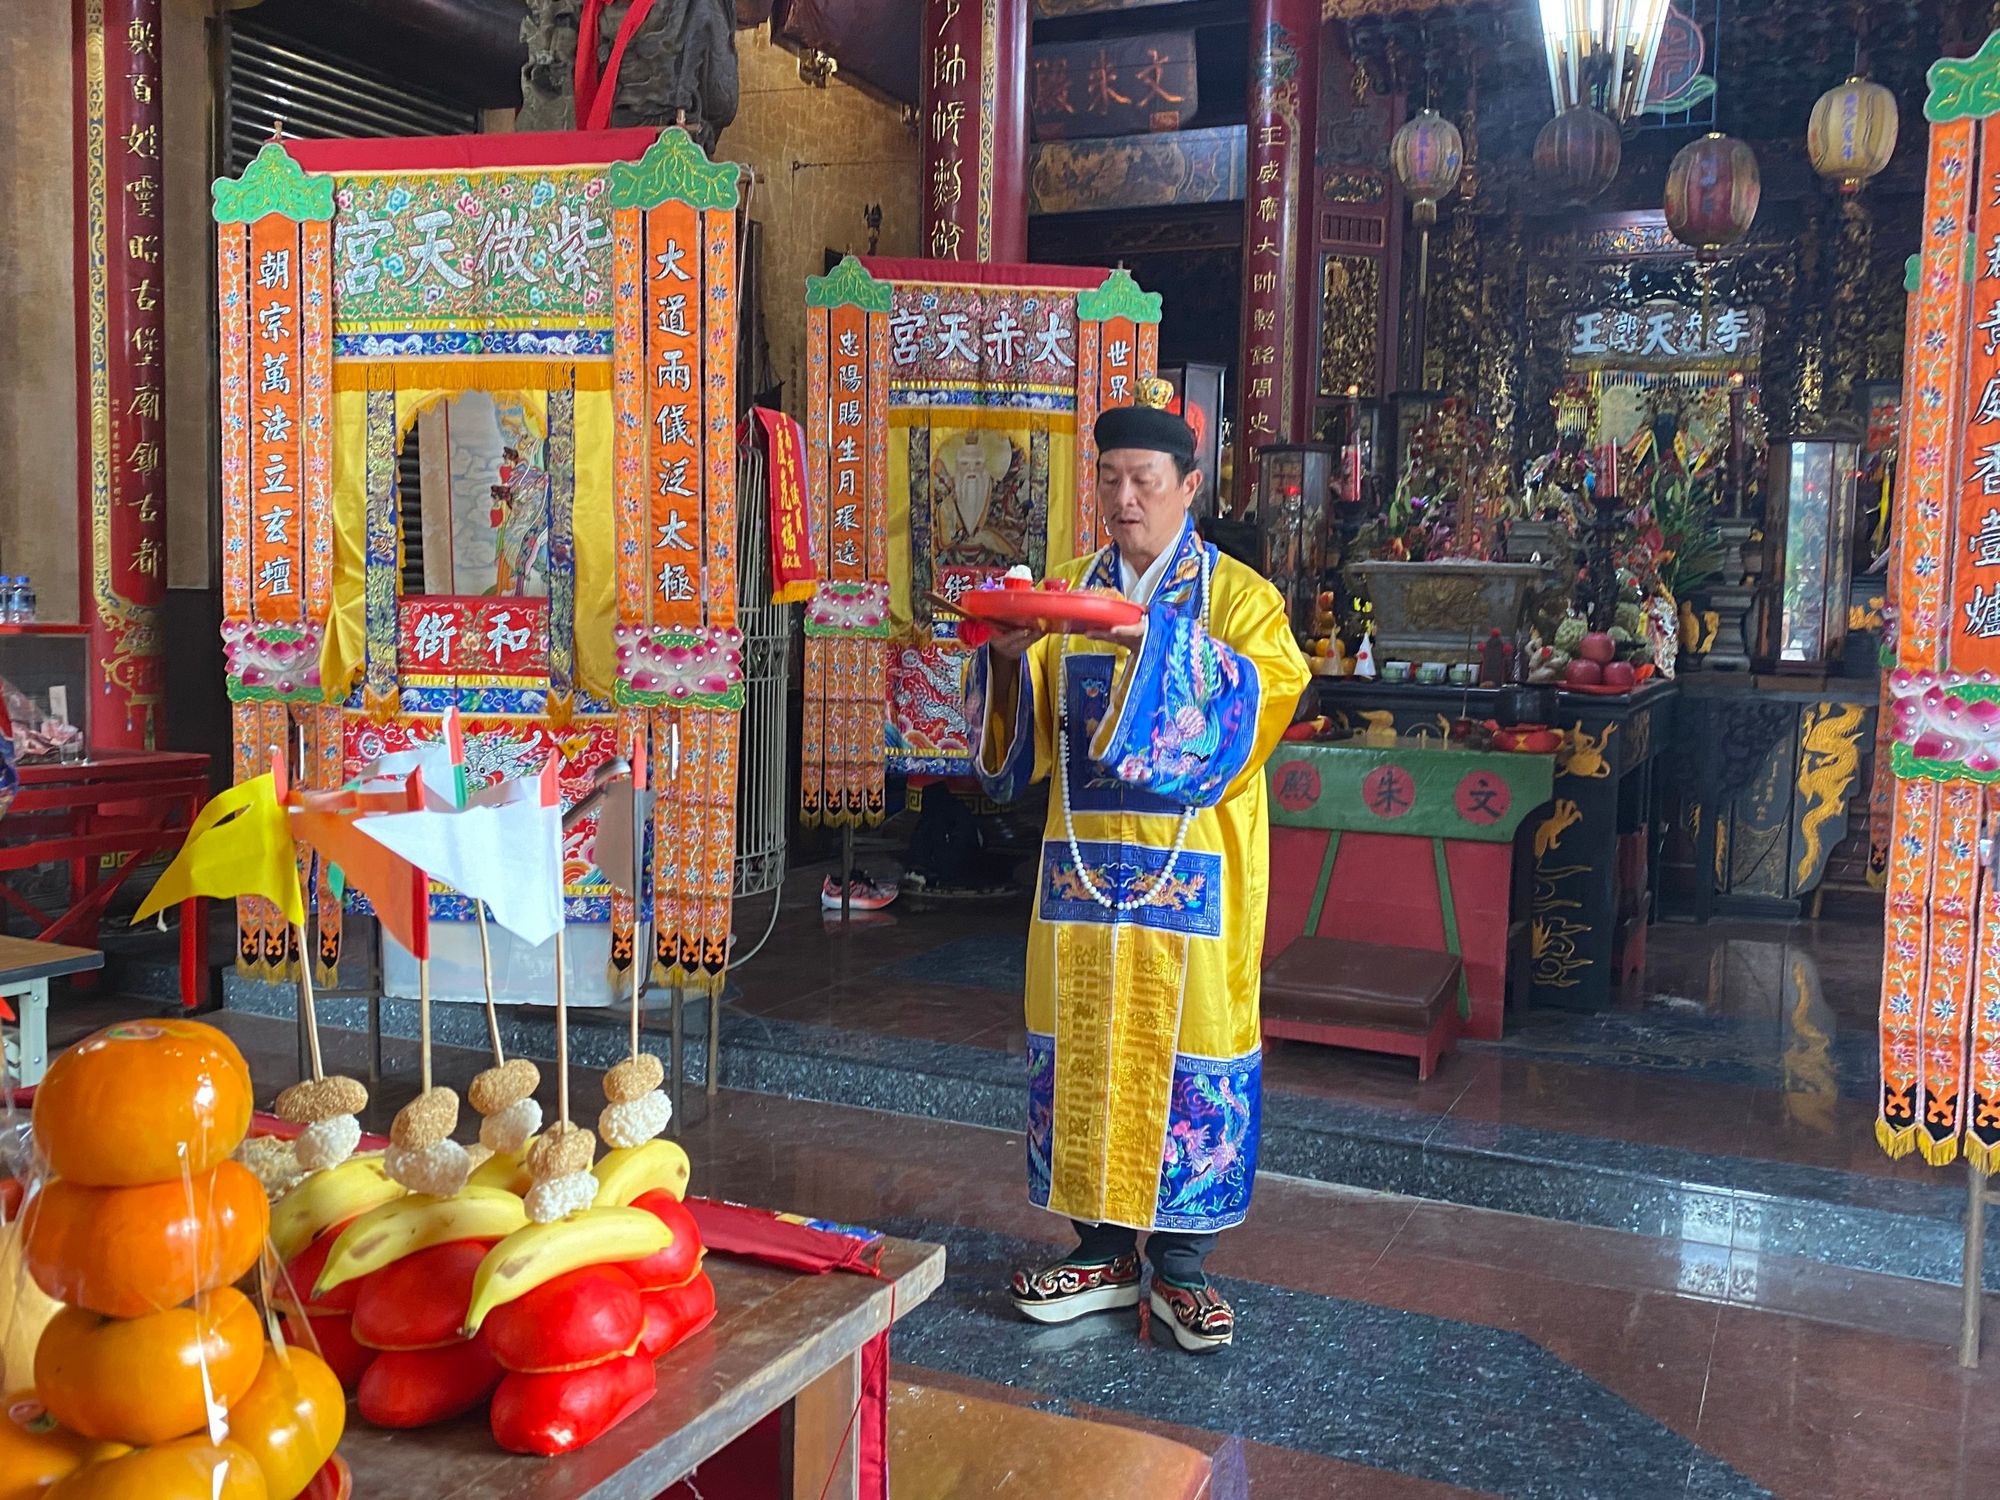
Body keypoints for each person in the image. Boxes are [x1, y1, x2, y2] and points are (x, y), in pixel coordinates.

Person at [965, 381, 1309, 1352]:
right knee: (1082, 1058)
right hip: (1079, 882)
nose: (1124, 499)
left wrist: (1147, 638)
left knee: (1191, 1059)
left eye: (1144, 480)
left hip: (1190, 887)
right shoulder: (1064, 592)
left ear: (1188, 486)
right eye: (1110, 478)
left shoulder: (1242, 601)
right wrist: (1006, 656)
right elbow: (1014, 754)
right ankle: (1104, 1252)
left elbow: (1257, 708)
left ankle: (1183, 1268)